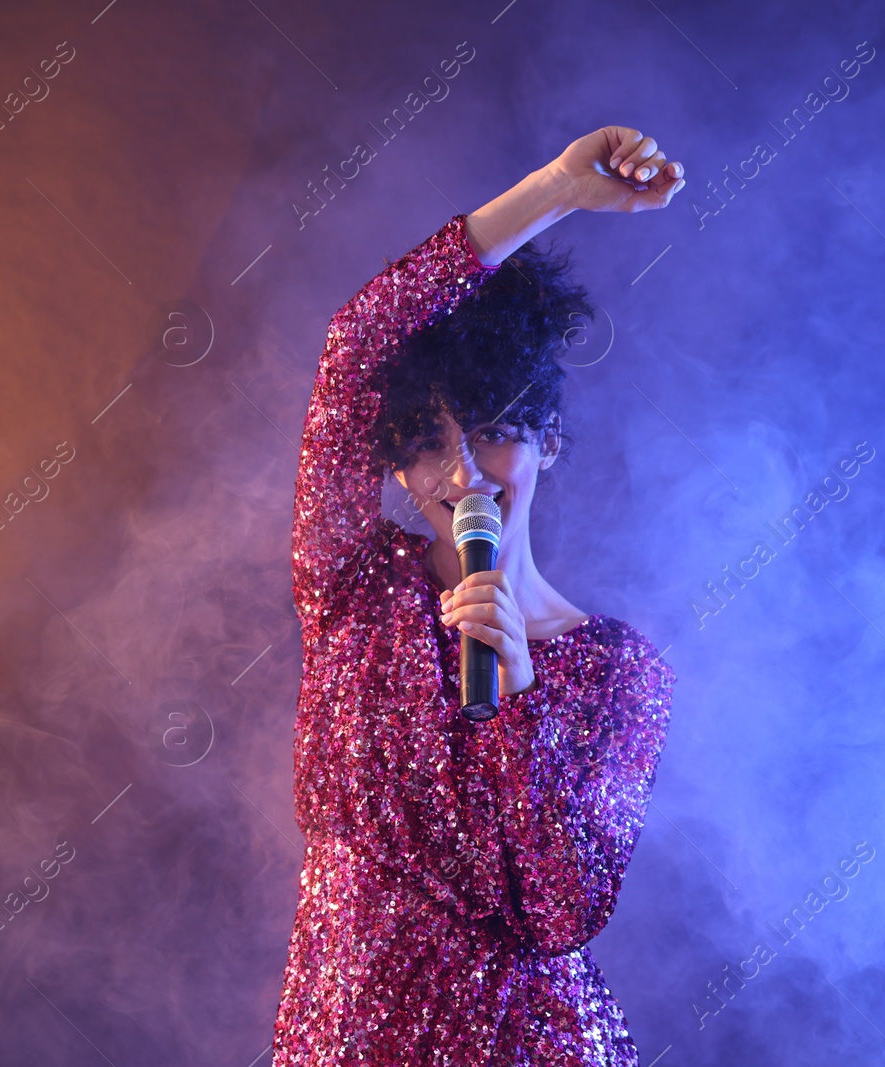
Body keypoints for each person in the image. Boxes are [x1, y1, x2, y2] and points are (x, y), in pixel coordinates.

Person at [272, 126, 685, 1066]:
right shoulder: (352, 590)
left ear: (547, 443)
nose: (464, 473)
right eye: (428, 440)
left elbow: (564, 907)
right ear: (396, 463)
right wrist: (551, 193)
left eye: (496, 430)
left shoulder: (618, 672)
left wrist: (521, 695)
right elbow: (357, 343)